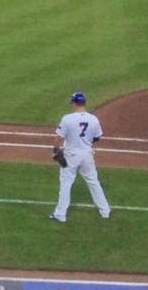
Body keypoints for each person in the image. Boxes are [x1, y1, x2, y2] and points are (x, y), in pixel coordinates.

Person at [51, 91, 112, 222]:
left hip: (71, 155)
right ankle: (105, 211)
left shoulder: (67, 118)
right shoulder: (93, 119)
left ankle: (60, 215)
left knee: (66, 183)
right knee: (93, 181)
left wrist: (55, 151)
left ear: (74, 103)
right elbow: (97, 137)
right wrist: (87, 143)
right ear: (84, 103)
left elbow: (59, 138)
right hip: (87, 155)